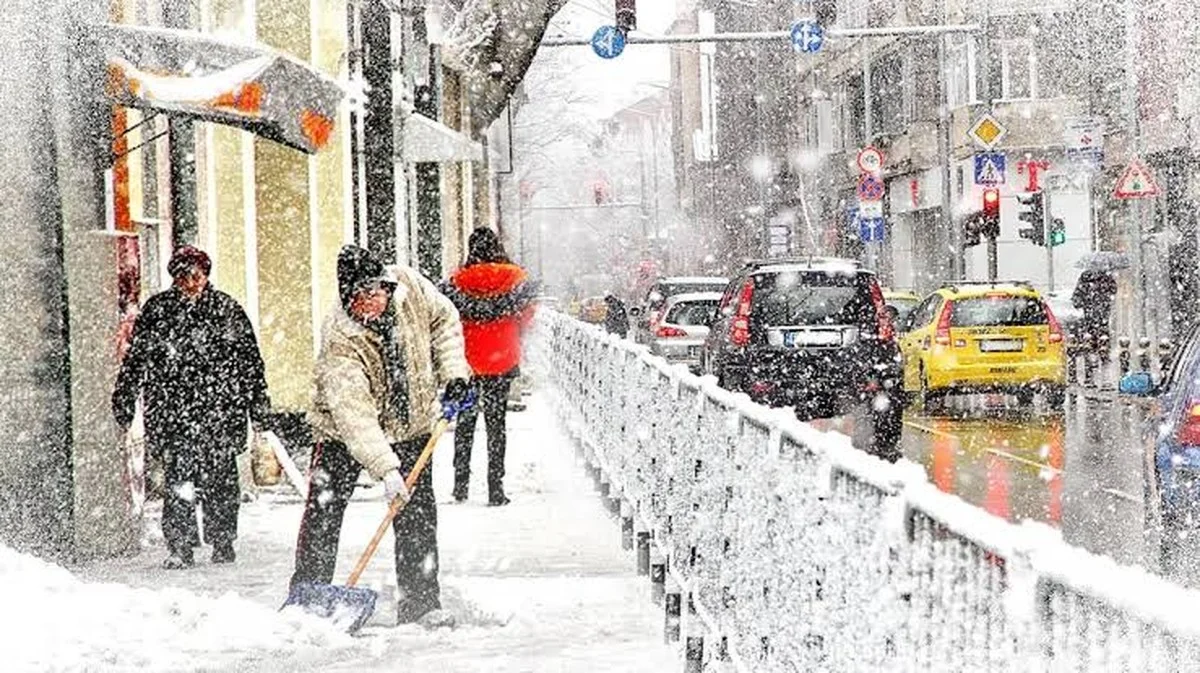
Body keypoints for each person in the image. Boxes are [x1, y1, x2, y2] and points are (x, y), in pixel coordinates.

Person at [290, 245, 472, 624]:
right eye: (359, 295)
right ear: (347, 297)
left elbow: (445, 320)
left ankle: (421, 603)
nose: (369, 302)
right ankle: (307, 598)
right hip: (341, 434)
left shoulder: (410, 289)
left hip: (412, 424)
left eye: (375, 291)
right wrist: (386, 469)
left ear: (388, 286)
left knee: (417, 514)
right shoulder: (342, 337)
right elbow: (354, 415)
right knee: (324, 510)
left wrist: (454, 373)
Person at [112, 245, 270, 569]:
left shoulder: (227, 310)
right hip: (174, 412)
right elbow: (136, 360)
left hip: (220, 412)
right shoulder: (158, 311)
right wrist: (125, 398)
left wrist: (259, 406)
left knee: (221, 480)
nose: (191, 283)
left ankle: (222, 541)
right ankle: (180, 546)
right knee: (179, 480)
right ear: (175, 278)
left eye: (197, 275)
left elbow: (250, 363)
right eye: (184, 276)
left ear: (206, 275)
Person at [442, 228, 537, 506]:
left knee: (465, 422)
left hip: (468, 361)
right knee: (496, 424)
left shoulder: (458, 280)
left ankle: (461, 485)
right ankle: (496, 488)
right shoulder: (515, 278)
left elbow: (448, 316)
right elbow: (528, 314)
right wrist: (512, 330)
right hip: (502, 355)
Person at [1072, 268, 1117, 351]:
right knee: (1103, 330)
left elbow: (1077, 294)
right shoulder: (1106, 276)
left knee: (1091, 331)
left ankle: (1092, 348)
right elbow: (1114, 290)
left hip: (1090, 310)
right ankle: (1103, 351)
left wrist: (1080, 302)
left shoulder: (1085, 277)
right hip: (1102, 310)